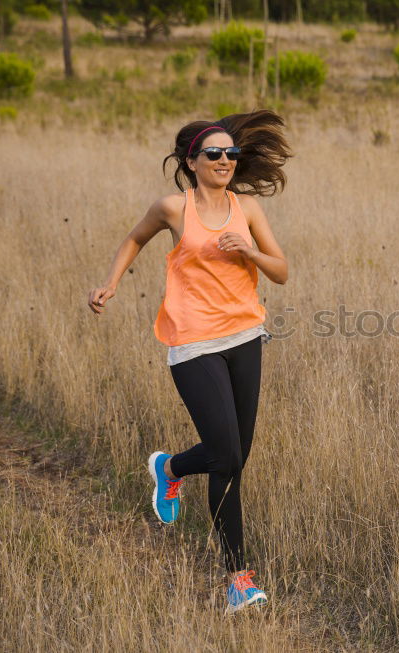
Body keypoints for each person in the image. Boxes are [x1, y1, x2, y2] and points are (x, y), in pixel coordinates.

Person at [87, 109, 292, 615]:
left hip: (245, 335)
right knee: (225, 453)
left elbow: (282, 271)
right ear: (191, 162)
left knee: (236, 455)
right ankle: (239, 581)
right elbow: (135, 238)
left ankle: (171, 466)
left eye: (232, 154)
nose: (226, 160)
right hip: (194, 341)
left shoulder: (247, 209)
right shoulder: (173, 209)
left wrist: (249, 250)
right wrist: (112, 281)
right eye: (215, 154)